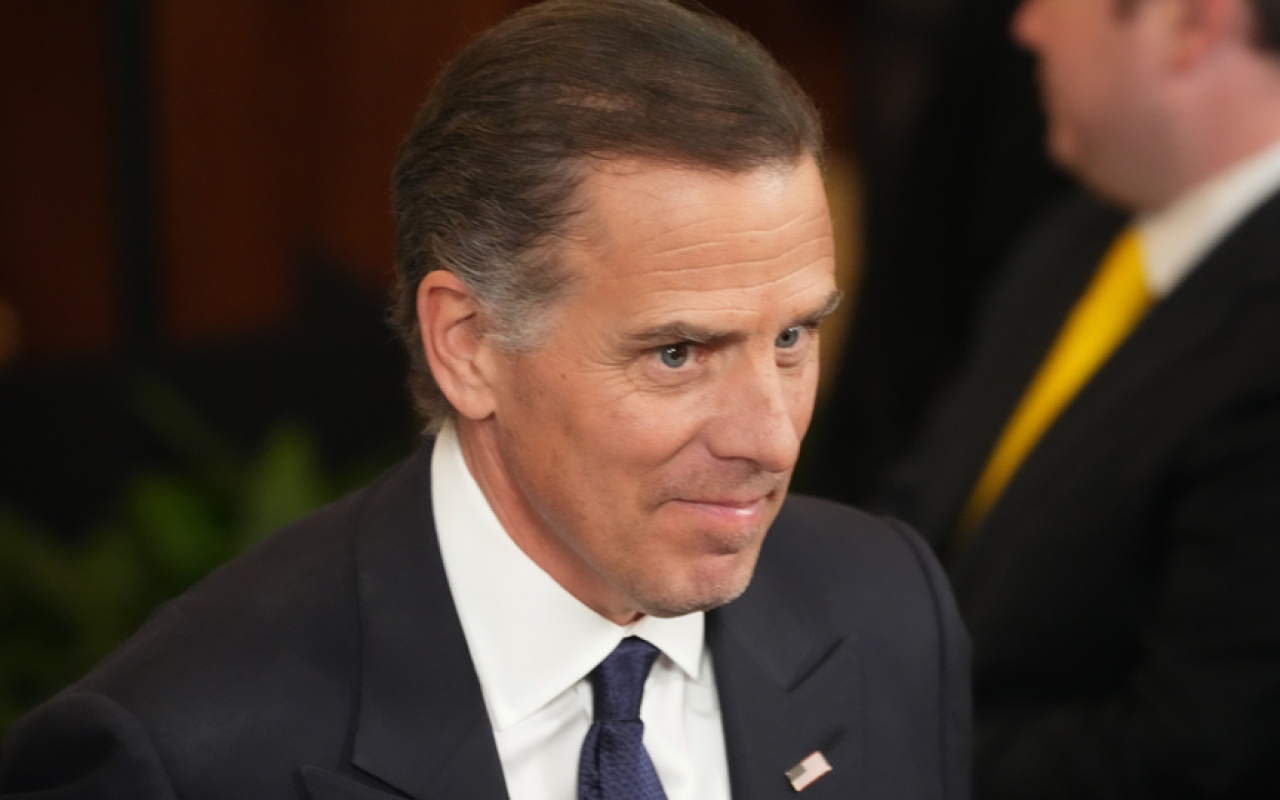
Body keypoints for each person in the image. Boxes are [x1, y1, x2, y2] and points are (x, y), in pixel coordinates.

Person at [0, 2, 970, 798]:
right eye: (677, 353)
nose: (770, 437)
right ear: (467, 345)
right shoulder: (178, 753)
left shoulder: (888, 607)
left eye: (792, 337)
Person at [884, 0, 1280, 796]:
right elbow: (918, 515)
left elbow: (1196, 753)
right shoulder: (1077, 234)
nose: (1026, 27)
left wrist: (856, 753)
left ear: (1192, 26)